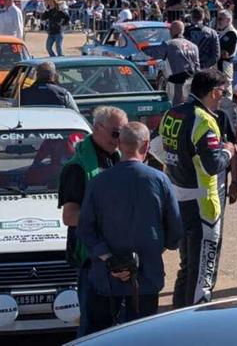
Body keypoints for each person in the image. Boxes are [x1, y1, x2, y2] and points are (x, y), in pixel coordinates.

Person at [77, 122, 182, 333]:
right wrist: (154, 250)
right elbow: (175, 232)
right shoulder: (160, 180)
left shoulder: (98, 182)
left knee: (103, 336)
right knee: (142, 337)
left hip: (106, 280)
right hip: (146, 280)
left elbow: (85, 229)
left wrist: (111, 260)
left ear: (119, 144)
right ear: (145, 146)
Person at [159, 69, 236, 307]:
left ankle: (178, 315)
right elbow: (213, 165)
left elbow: (154, 147)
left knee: (187, 265)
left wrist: (180, 163)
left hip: (178, 196)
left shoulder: (172, 113)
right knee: (203, 270)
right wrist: (228, 151)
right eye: (223, 92)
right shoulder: (203, 119)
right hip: (203, 204)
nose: (223, 97)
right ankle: (196, 323)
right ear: (214, 92)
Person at [58, 106, 127, 337]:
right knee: (93, 328)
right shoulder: (77, 167)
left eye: (123, 134)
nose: (119, 140)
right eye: (115, 133)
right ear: (97, 128)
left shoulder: (116, 158)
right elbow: (69, 216)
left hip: (115, 257)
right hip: (92, 260)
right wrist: (109, 220)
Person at [146, 20, 200, 105]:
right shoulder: (194, 46)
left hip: (175, 83)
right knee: (190, 107)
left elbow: (154, 54)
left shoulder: (169, 44)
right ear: (183, 30)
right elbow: (197, 67)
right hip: (191, 83)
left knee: (175, 108)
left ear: (171, 31)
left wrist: (142, 48)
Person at [216, 9, 237, 82]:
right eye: (218, 19)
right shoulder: (221, 31)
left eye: (221, 19)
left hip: (225, 64)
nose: (218, 21)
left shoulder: (231, 33)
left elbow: (224, 52)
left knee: (226, 87)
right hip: (218, 65)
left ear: (228, 20)